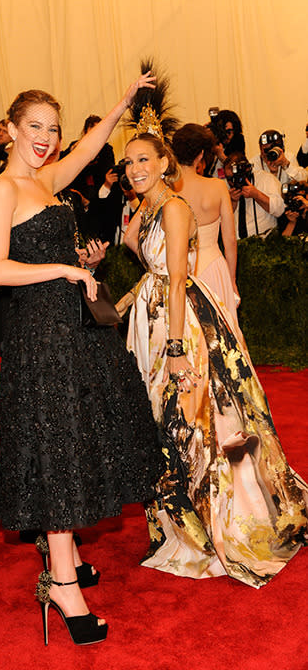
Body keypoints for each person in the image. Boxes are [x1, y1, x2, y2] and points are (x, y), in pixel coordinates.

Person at [0, 73, 165, 645]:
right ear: (10, 129)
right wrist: (62, 268)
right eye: (33, 126)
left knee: (74, 441)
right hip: (40, 338)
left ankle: (68, 556)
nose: (46, 137)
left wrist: (123, 104)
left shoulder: (44, 179)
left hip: (71, 332)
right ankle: (63, 585)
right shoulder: (5, 189)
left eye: (53, 129)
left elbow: (88, 150)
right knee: (58, 451)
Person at [121, 68, 307, 589]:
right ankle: (180, 524)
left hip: (180, 325)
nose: (136, 168)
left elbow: (178, 280)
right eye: (130, 160)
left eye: (145, 160)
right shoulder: (151, 204)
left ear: (166, 163)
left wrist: (178, 349)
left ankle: (212, 525)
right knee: (168, 421)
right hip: (156, 315)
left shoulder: (176, 207)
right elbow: (137, 251)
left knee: (196, 421)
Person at [172, 123, 240, 326]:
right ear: (201, 154)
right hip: (214, 267)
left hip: (178, 268)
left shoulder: (166, 189)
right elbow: (230, 241)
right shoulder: (218, 187)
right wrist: (232, 280)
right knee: (221, 336)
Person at [223, 152, 285, 238]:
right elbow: (221, 220)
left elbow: (279, 210)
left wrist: (257, 195)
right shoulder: (224, 186)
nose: (232, 181)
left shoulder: (266, 179)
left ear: (247, 169)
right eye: (229, 178)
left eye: (235, 176)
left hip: (264, 242)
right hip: (237, 244)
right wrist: (232, 201)